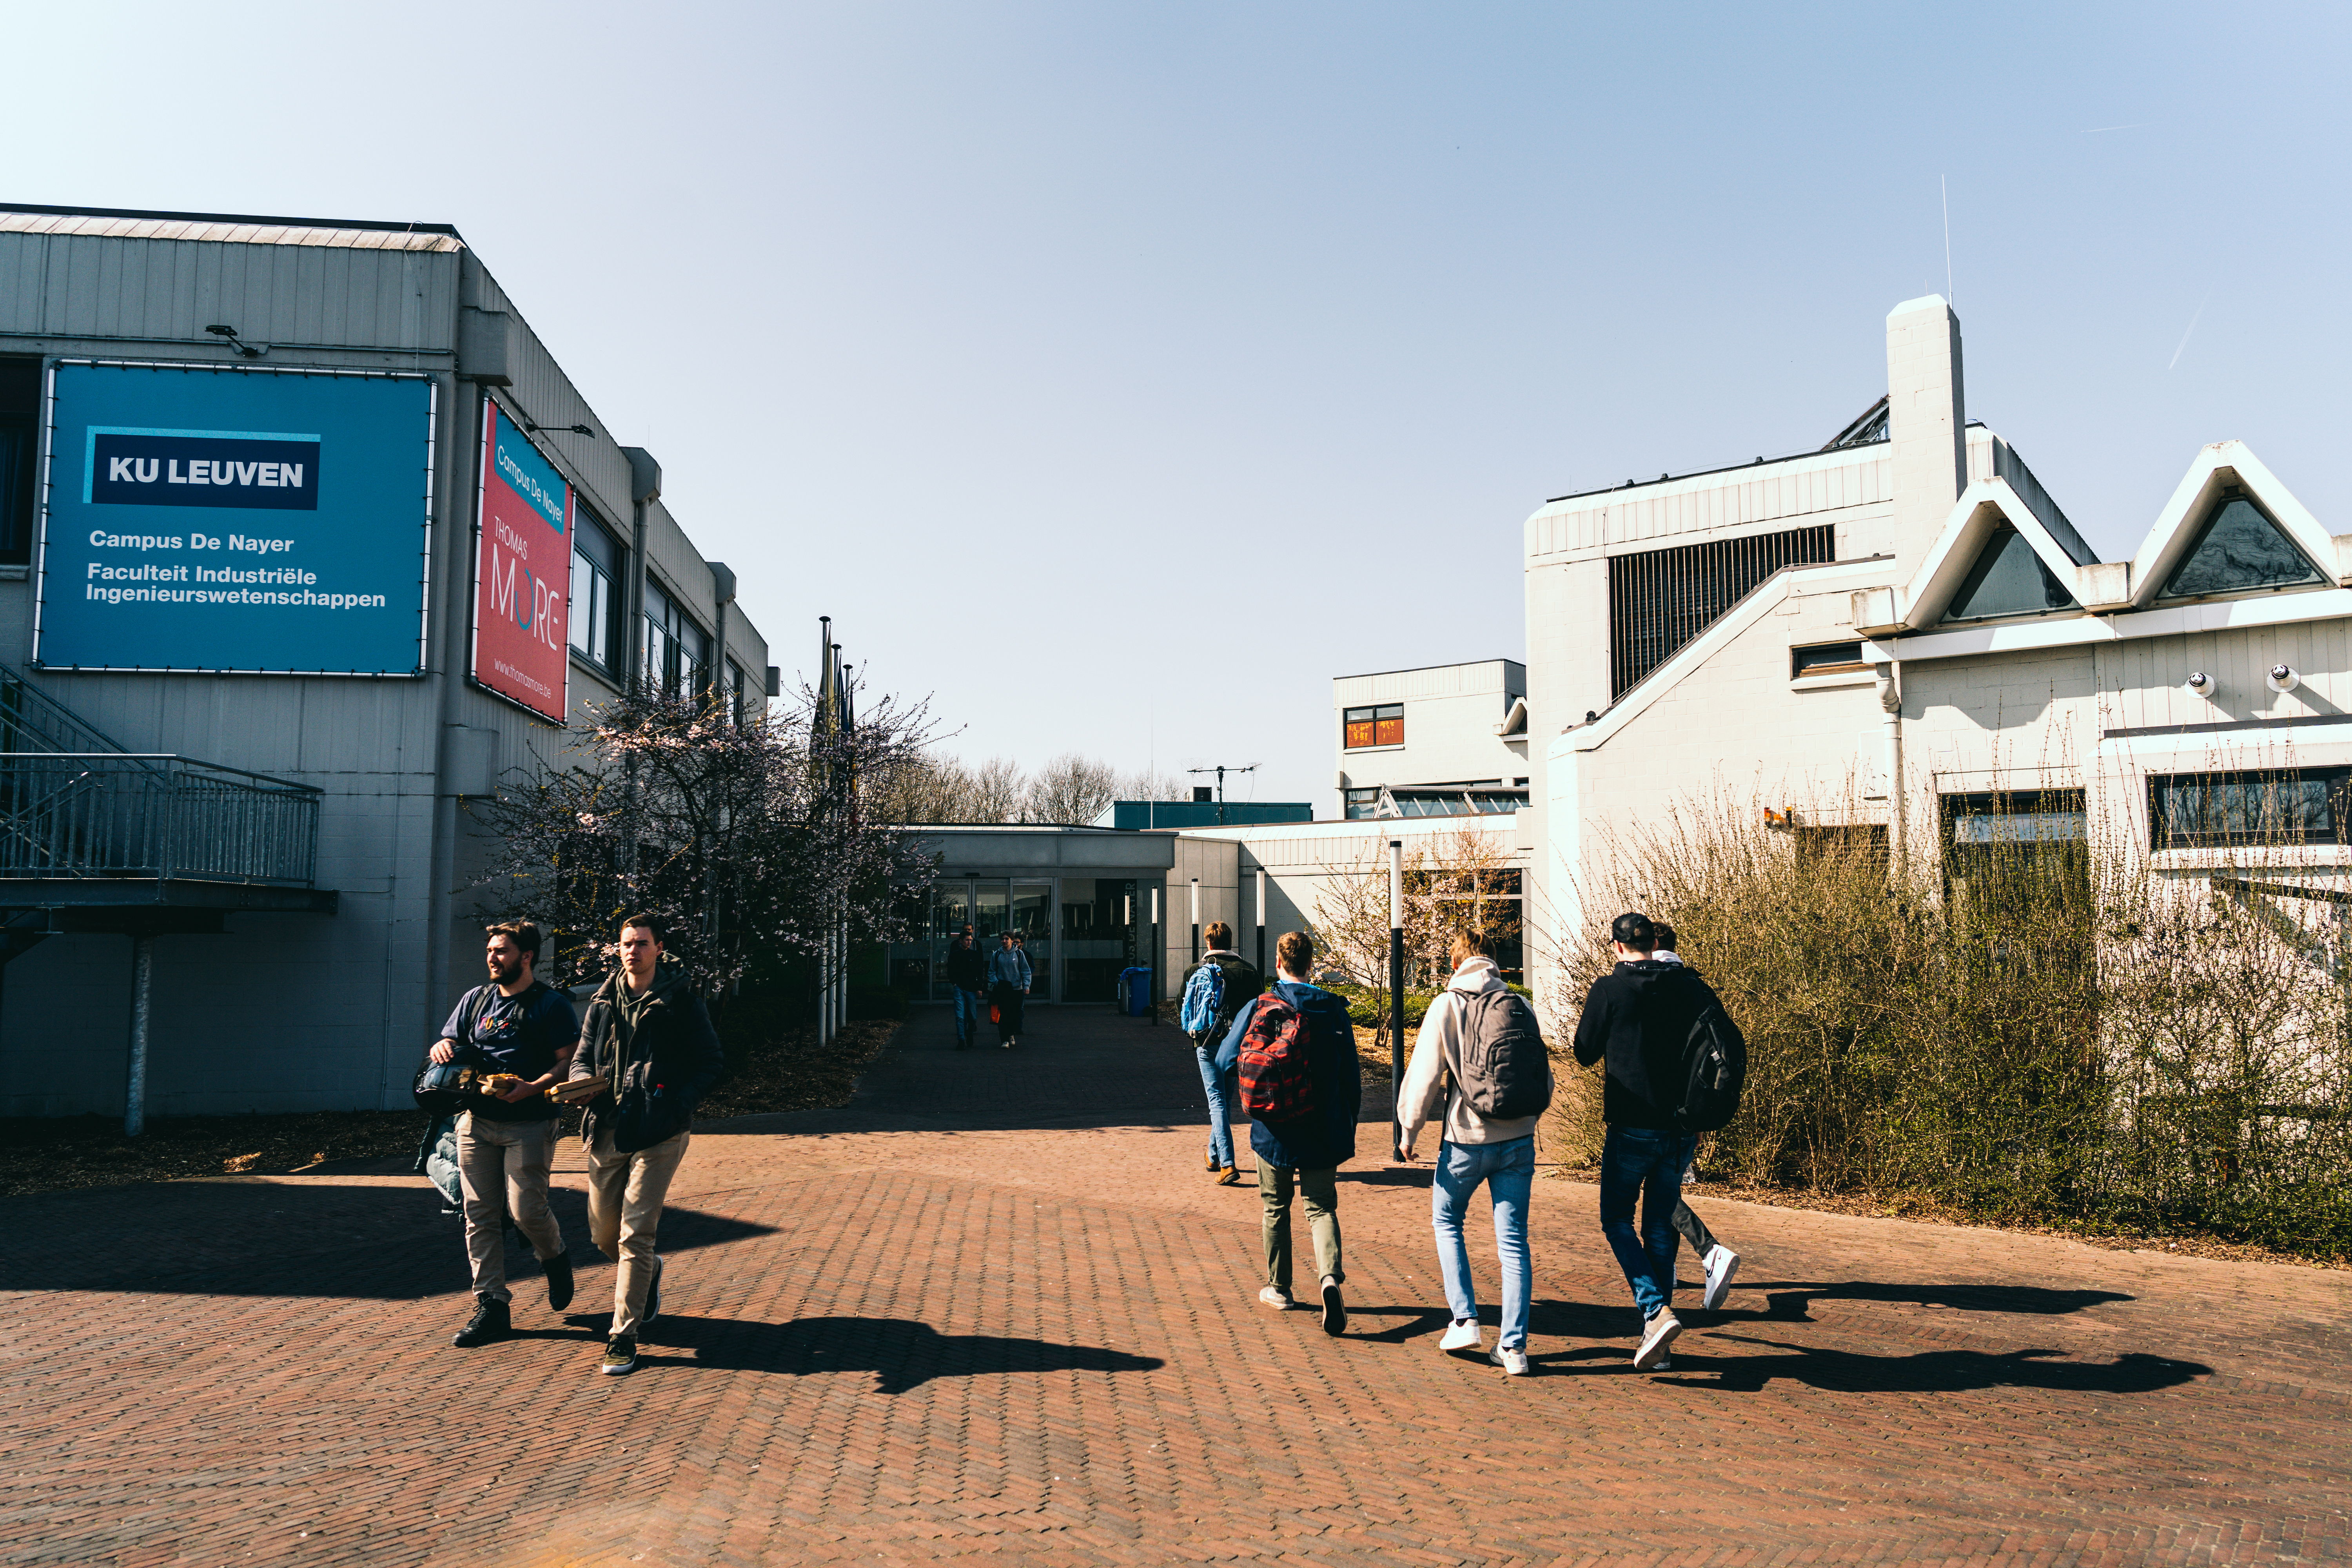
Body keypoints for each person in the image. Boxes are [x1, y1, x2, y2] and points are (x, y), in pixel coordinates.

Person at [568, 913, 726, 1376]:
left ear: (659, 948)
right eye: (625, 943)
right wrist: (582, 1085)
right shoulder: (603, 1001)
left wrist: (679, 1105)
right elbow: (582, 1058)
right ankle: (649, 1272)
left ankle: (624, 1336)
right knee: (603, 1235)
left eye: (641, 943)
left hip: (660, 1131)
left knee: (635, 1233)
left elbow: (711, 1061)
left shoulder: (681, 1002)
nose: (632, 950)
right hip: (609, 1128)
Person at [1572, 910, 1726, 1372]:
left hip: (1632, 1124)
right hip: (1681, 1127)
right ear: (1653, 945)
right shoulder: (1690, 986)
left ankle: (1655, 1310)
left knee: (1616, 1219)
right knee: (1659, 1226)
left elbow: (1582, 1052)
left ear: (1618, 947)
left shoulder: (1611, 989)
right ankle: (1657, 1341)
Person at [1398, 929, 1551, 1376]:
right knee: (1513, 1242)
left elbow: (1426, 1074)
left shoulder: (1448, 1004)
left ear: (1455, 964)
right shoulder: (1521, 1005)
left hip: (1466, 1138)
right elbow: (1541, 1074)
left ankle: (1464, 1320)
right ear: (1496, 962)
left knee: (1447, 1221)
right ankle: (1514, 1348)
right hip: (1519, 1140)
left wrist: (1409, 1131)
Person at [430, 921, 581, 1348]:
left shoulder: (550, 1005)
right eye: (491, 950)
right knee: (479, 1214)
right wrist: (440, 1047)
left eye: (502, 951)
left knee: (526, 1211)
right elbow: (448, 1043)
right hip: (476, 1122)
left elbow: (568, 1062)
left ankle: (554, 1256)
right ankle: (492, 1304)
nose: (492, 957)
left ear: (526, 956)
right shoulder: (476, 1000)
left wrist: (533, 1087)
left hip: (530, 1122)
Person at [1213, 930, 1361, 1335]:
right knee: (1320, 1208)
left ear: (1278, 963)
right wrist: (1350, 1123)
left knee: (1275, 1209)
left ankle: (1280, 1288)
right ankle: (1329, 1278)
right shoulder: (1333, 1009)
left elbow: (1226, 1058)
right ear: (1311, 964)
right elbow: (1351, 1076)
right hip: (1322, 1126)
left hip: (1272, 1129)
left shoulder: (1262, 1005)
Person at [1651, 923, 1739, 1318]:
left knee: (1655, 1186)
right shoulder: (1698, 987)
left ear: (1651, 946)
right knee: (1666, 1180)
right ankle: (1667, 1270)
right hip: (1697, 1104)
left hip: (1662, 1105)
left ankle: (1710, 1250)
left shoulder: (1654, 985)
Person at [1180, 920, 1262, 1186]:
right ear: (1230, 941)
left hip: (1206, 1043)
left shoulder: (1196, 970)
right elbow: (1260, 1010)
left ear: (1209, 943)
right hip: (1236, 1046)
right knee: (1223, 1101)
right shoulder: (1248, 972)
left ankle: (1227, 1164)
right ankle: (1214, 1156)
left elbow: (1184, 1005)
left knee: (1217, 1102)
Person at [986, 931, 1031, 1049]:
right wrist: (997, 983)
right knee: (1003, 1015)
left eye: (1007, 939)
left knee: (1015, 1015)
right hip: (1002, 989)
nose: (1004, 941)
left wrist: (1026, 986)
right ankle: (1004, 1039)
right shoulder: (997, 955)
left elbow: (1025, 971)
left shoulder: (1019, 954)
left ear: (1012, 940)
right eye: (1003, 939)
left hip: (1017, 989)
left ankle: (1011, 1034)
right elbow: (991, 972)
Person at [944, 930, 987, 1050]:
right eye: (967, 940)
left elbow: (980, 971)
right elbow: (950, 970)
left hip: (972, 988)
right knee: (960, 1016)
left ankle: (968, 1033)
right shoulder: (955, 955)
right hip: (960, 988)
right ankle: (961, 1039)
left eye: (970, 940)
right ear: (961, 941)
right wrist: (954, 983)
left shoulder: (975, 954)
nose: (969, 942)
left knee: (973, 1016)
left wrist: (979, 987)